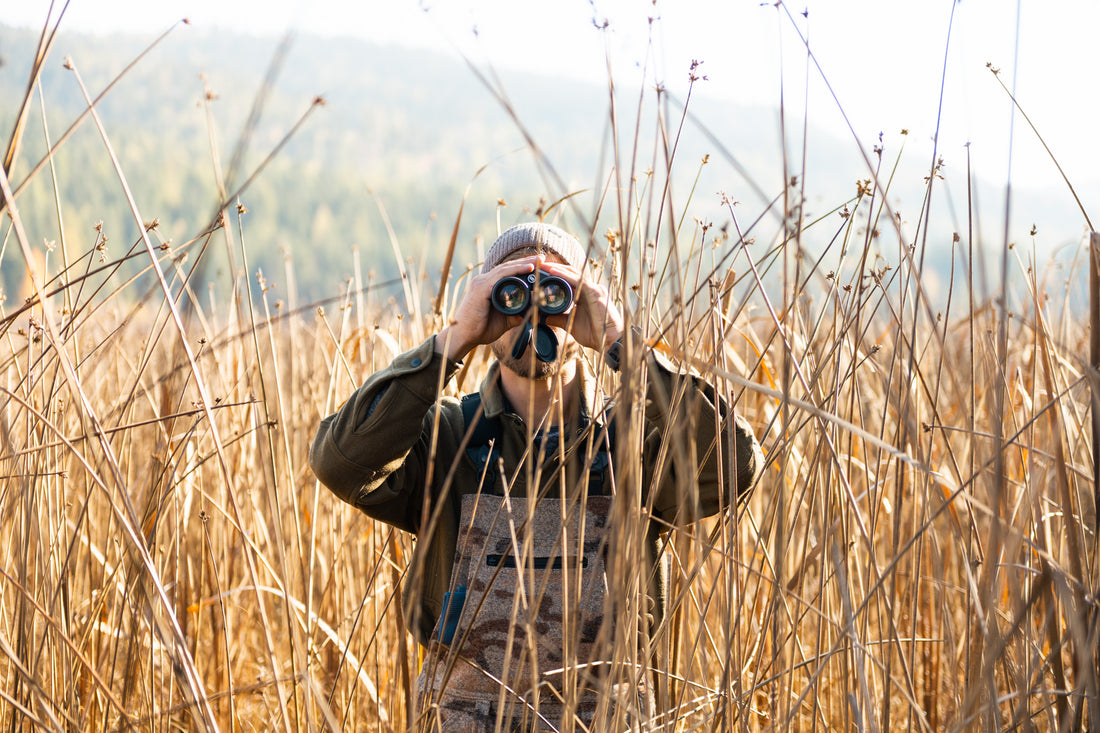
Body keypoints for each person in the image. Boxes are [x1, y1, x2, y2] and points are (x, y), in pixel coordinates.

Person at [310, 222, 763, 731]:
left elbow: (734, 462)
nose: (531, 309)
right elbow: (340, 463)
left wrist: (620, 342)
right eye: (509, 292)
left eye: (555, 293)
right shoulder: (446, 437)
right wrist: (452, 342)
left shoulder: (633, 443)